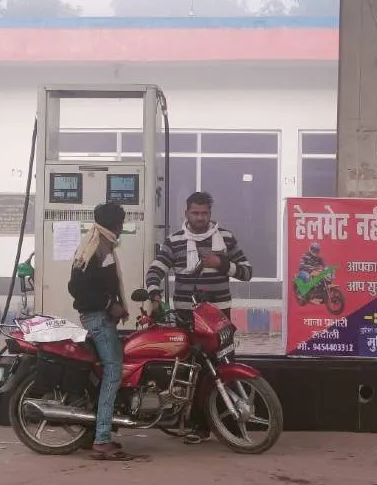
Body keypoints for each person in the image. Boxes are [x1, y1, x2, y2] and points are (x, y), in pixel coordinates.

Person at [145, 191, 253, 444]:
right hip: (186, 316)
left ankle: (230, 424)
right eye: (195, 213)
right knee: (191, 369)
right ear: (186, 214)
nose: (200, 218)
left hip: (219, 317)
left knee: (224, 367)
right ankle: (198, 426)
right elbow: (155, 269)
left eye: (204, 213)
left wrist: (222, 263)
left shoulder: (225, 238)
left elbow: (247, 272)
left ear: (210, 214)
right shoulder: (175, 241)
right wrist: (154, 294)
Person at [67, 201, 132, 461]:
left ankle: (94, 429)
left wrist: (117, 306)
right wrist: (109, 305)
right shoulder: (97, 246)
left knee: (105, 370)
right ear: (116, 224)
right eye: (122, 223)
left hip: (100, 315)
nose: (123, 227)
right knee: (114, 370)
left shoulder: (98, 242)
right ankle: (102, 438)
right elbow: (77, 288)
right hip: (97, 317)